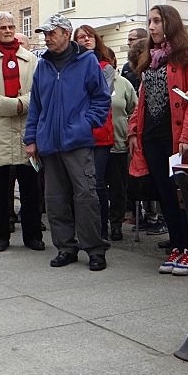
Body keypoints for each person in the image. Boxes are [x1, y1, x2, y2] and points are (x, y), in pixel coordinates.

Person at [24, 13, 110, 271]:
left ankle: (94, 249)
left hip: (77, 141)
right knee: (56, 199)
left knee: (86, 197)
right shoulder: (44, 66)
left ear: (65, 33)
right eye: (45, 34)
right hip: (49, 143)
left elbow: (101, 98)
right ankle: (65, 247)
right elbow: (36, 106)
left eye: (51, 33)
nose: (47, 38)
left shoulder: (87, 62)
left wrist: (86, 123)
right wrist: (31, 138)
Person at [128, 4, 188, 276]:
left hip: (176, 138)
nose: (152, 27)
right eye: (149, 21)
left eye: (157, 21)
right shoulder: (150, 59)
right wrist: (135, 131)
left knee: (183, 195)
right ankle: (177, 246)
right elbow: (143, 100)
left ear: (169, 23)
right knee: (165, 195)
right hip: (152, 137)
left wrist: (187, 136)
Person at [0, 11, 44, 252]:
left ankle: (33, 235)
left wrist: (24, 103)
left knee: (31, 189)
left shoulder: (30, 59)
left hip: (26, 130)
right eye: (3, 27)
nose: (8, 30)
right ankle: (0, 236)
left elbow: (39, 90)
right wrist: (15, 105)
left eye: (11, 26)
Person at [74, 24, 116, 239]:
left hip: (99, 132)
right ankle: (83, 228)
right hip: (77, 134)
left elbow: (101, 96)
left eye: (89, 36)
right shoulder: (71, 65)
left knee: (97, 183)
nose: (86, 40)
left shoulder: (105, 66)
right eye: (81, 37)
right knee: (80, 184)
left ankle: (101, 230)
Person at [107, 67, 137, 241]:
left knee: (118, 188)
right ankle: (100, 224)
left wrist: (130, 130)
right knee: (97, 188)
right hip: (95, 145)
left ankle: (116, 224)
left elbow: (135, 109)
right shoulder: (91, 81)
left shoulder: (124, 84)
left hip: (119, 144)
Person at [121, 28, 147, 92]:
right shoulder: (126, 67)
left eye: (131, 39)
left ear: (142, 39)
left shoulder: (153, 61)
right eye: (128, 40)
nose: (128, 43)